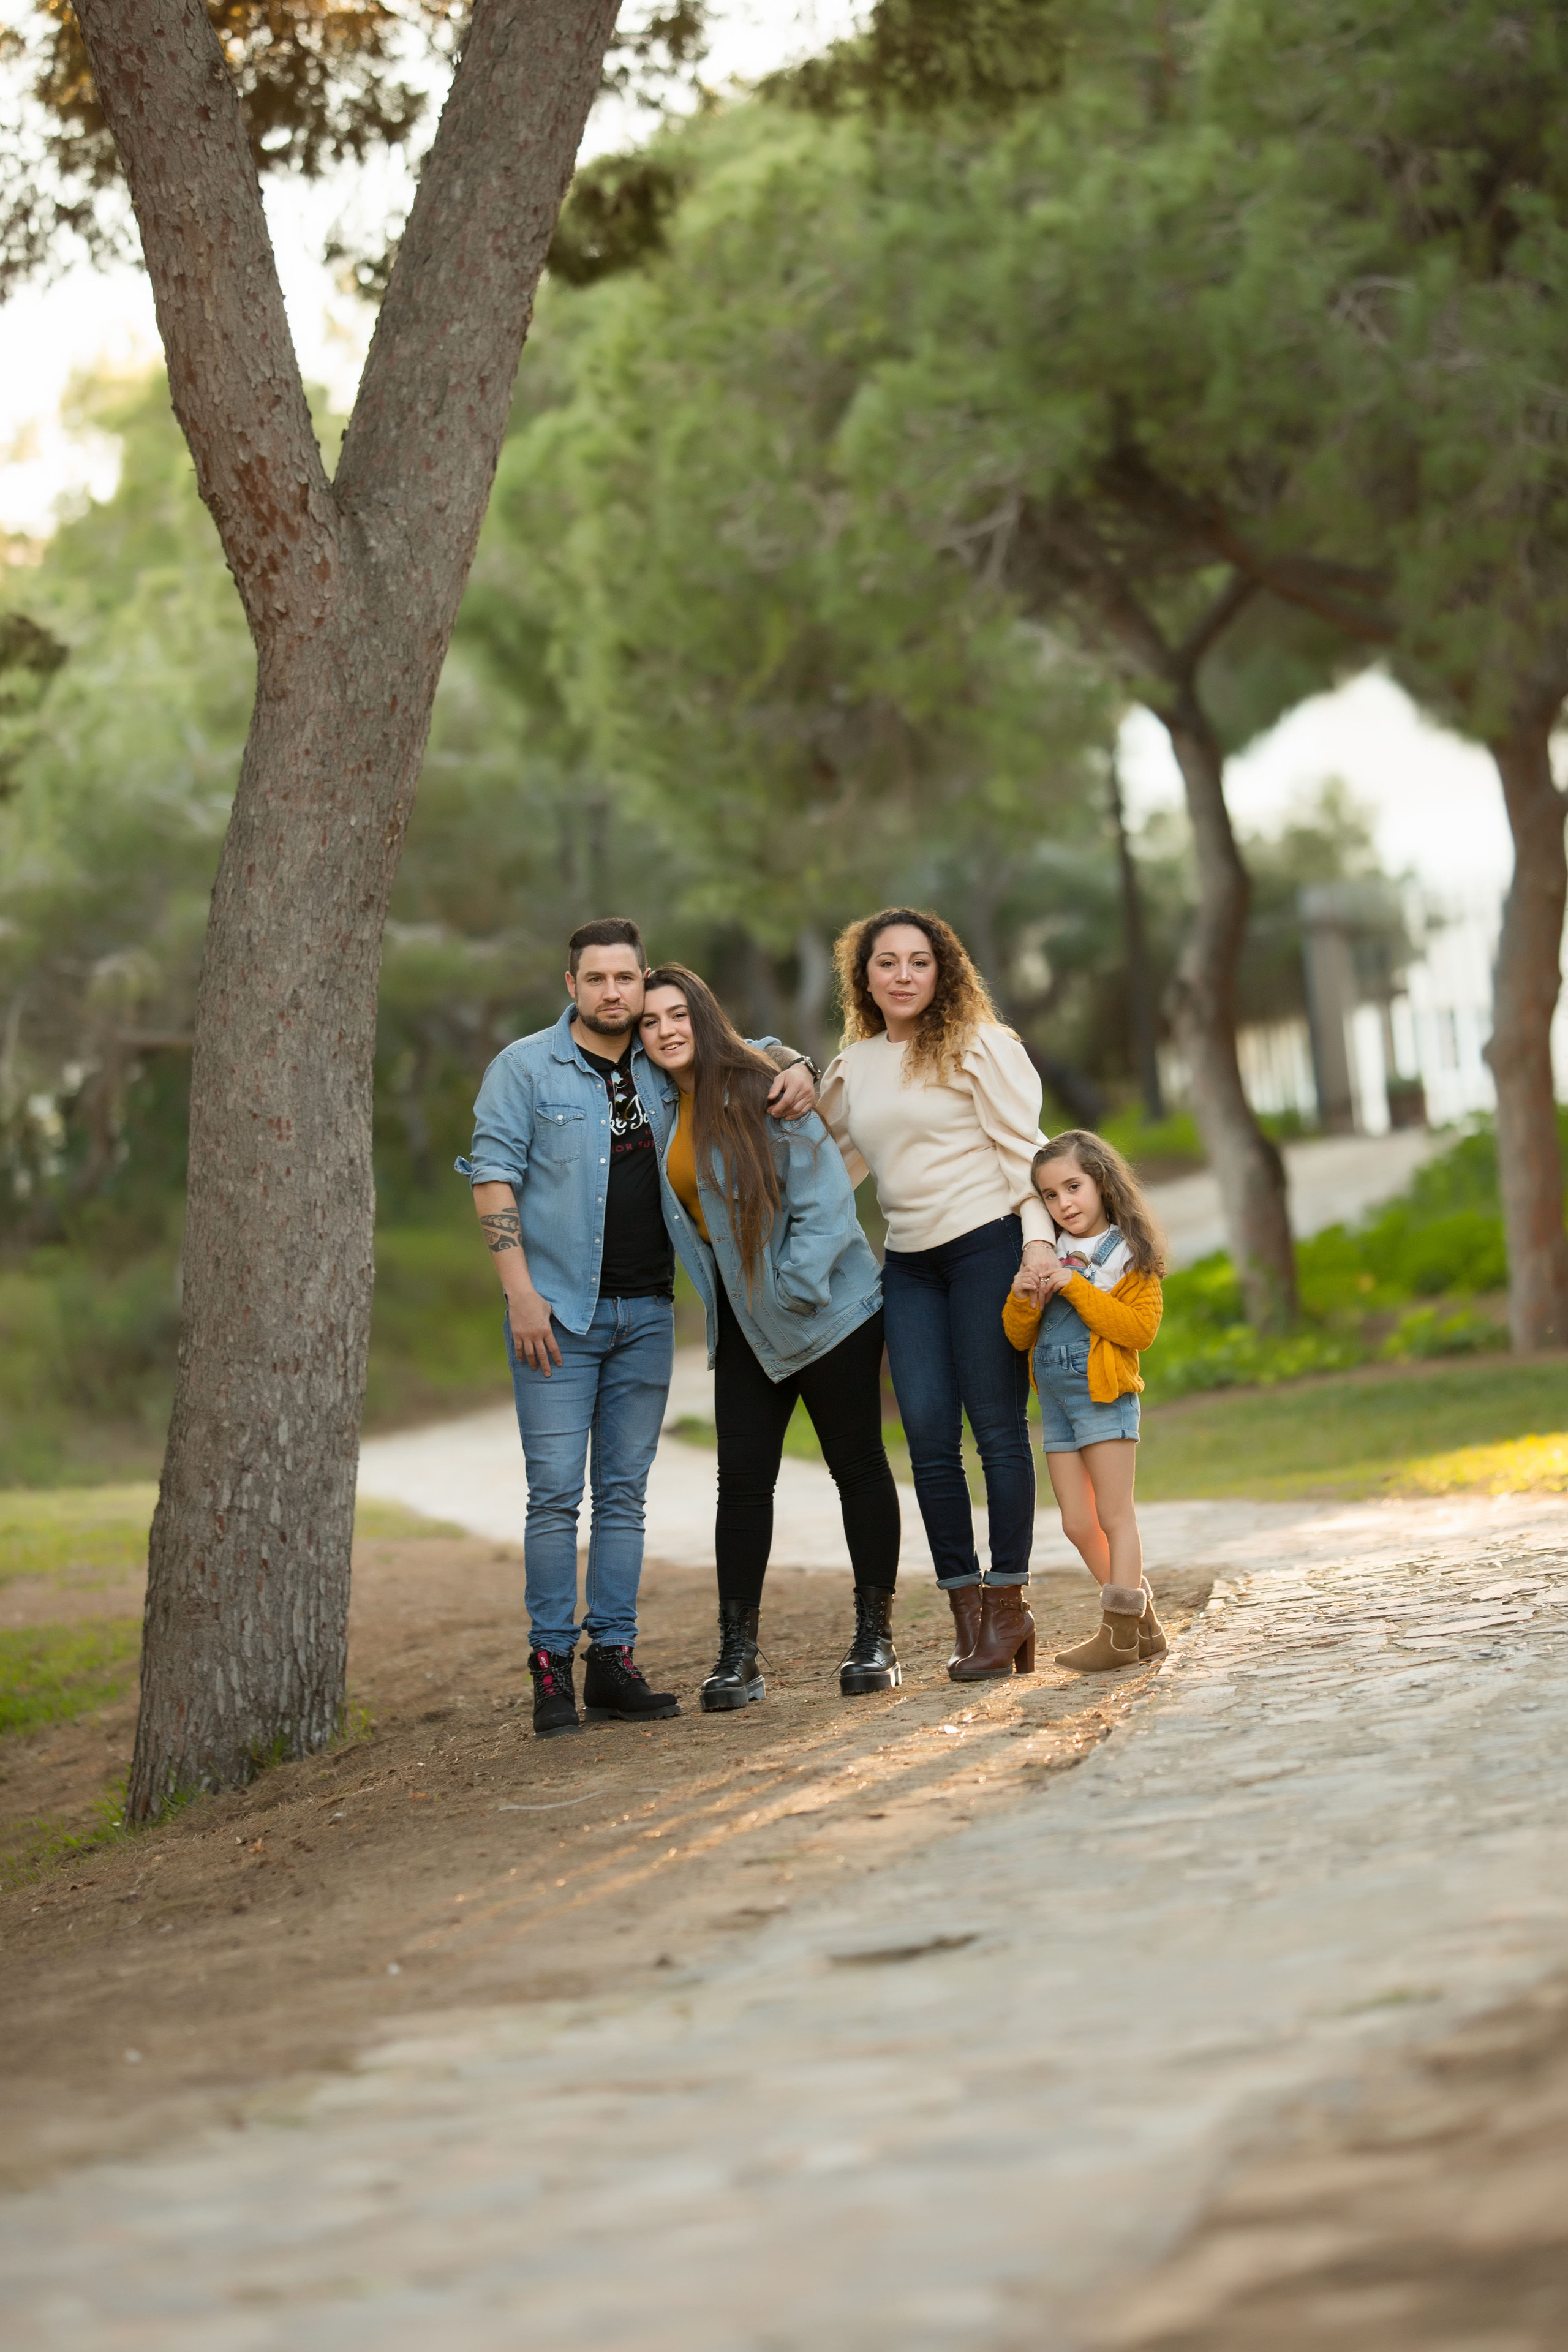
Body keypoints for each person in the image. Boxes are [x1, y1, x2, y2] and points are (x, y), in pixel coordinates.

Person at [459, 918, 819, 1739]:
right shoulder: (524, 1068)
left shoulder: (664, 1062)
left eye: (626, 978)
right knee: (554, 1497)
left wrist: (797, 1061)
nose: (614, 993)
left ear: (642, 978)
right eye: (597, 979)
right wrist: (519, 1295)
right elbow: (491, 1179)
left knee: (623, 1497)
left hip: (649, 1312)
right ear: (571, 985)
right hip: (554, 1317)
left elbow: (740, 1043)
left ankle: (613, 1661)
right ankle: (550, 1666)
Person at [638, 965, 903, 1708]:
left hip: (827, 1310)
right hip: (744, 1325)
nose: (665, 1031)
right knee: (743, 1482)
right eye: (650, 1022)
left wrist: (792, 1288)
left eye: (677, 1016)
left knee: (856, 1465)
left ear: (702, 1016)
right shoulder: (657, 1105)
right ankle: (738, 1657)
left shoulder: (764, 1083)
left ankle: (875, 1640)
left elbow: (823, 1195)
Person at [818, 908, 1054, 1683]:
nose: (904, 976)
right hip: (909, 1266)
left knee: (995, 1429)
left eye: (919, 962)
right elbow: (824, 1164)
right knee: (925, 1437)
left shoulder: (982, 1046)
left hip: (985, 1247)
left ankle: (1010, 1606)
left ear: (942, 970)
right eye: (887, 963)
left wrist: (1038, 1243)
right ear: (865, 977)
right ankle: (966, 1610)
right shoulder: (854, 1066)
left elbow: (1027, 1154)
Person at [1002, 1130, 1167, 1672]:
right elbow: (1018, 1336)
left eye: (1073, 1187)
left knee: (1114, 1514)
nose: (1064, 1204)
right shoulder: (1046, 1253)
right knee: (1077, 1523)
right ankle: (1142, 1623)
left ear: (1101, 1181)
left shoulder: (1129, 1256)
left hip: (1104, 1397)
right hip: (1056, 1404)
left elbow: (1137, 1330)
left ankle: (1118, 1634)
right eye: (1050, 1196)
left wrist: (1074, 1287)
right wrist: (1025, 1296)